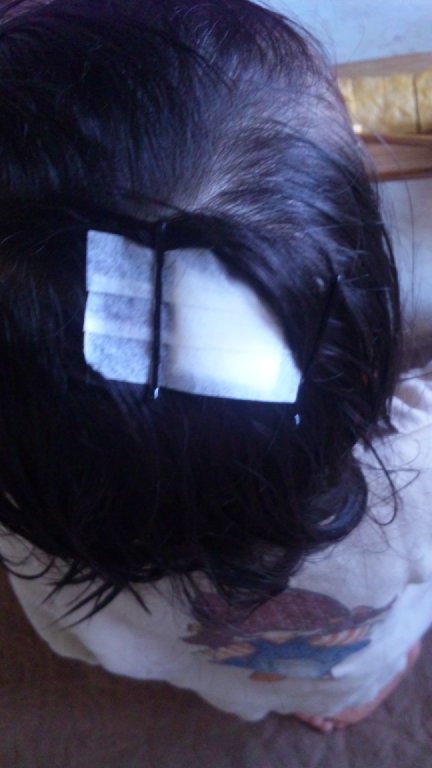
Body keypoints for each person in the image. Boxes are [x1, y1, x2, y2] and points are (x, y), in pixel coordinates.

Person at [0, 0, 430, 732]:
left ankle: (286, 697)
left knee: (247, 679)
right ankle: (343, 701)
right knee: (354, 671)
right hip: (357, 650)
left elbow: (73, 639)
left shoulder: (31, 535)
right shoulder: (418, 475)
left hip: (208, 670)